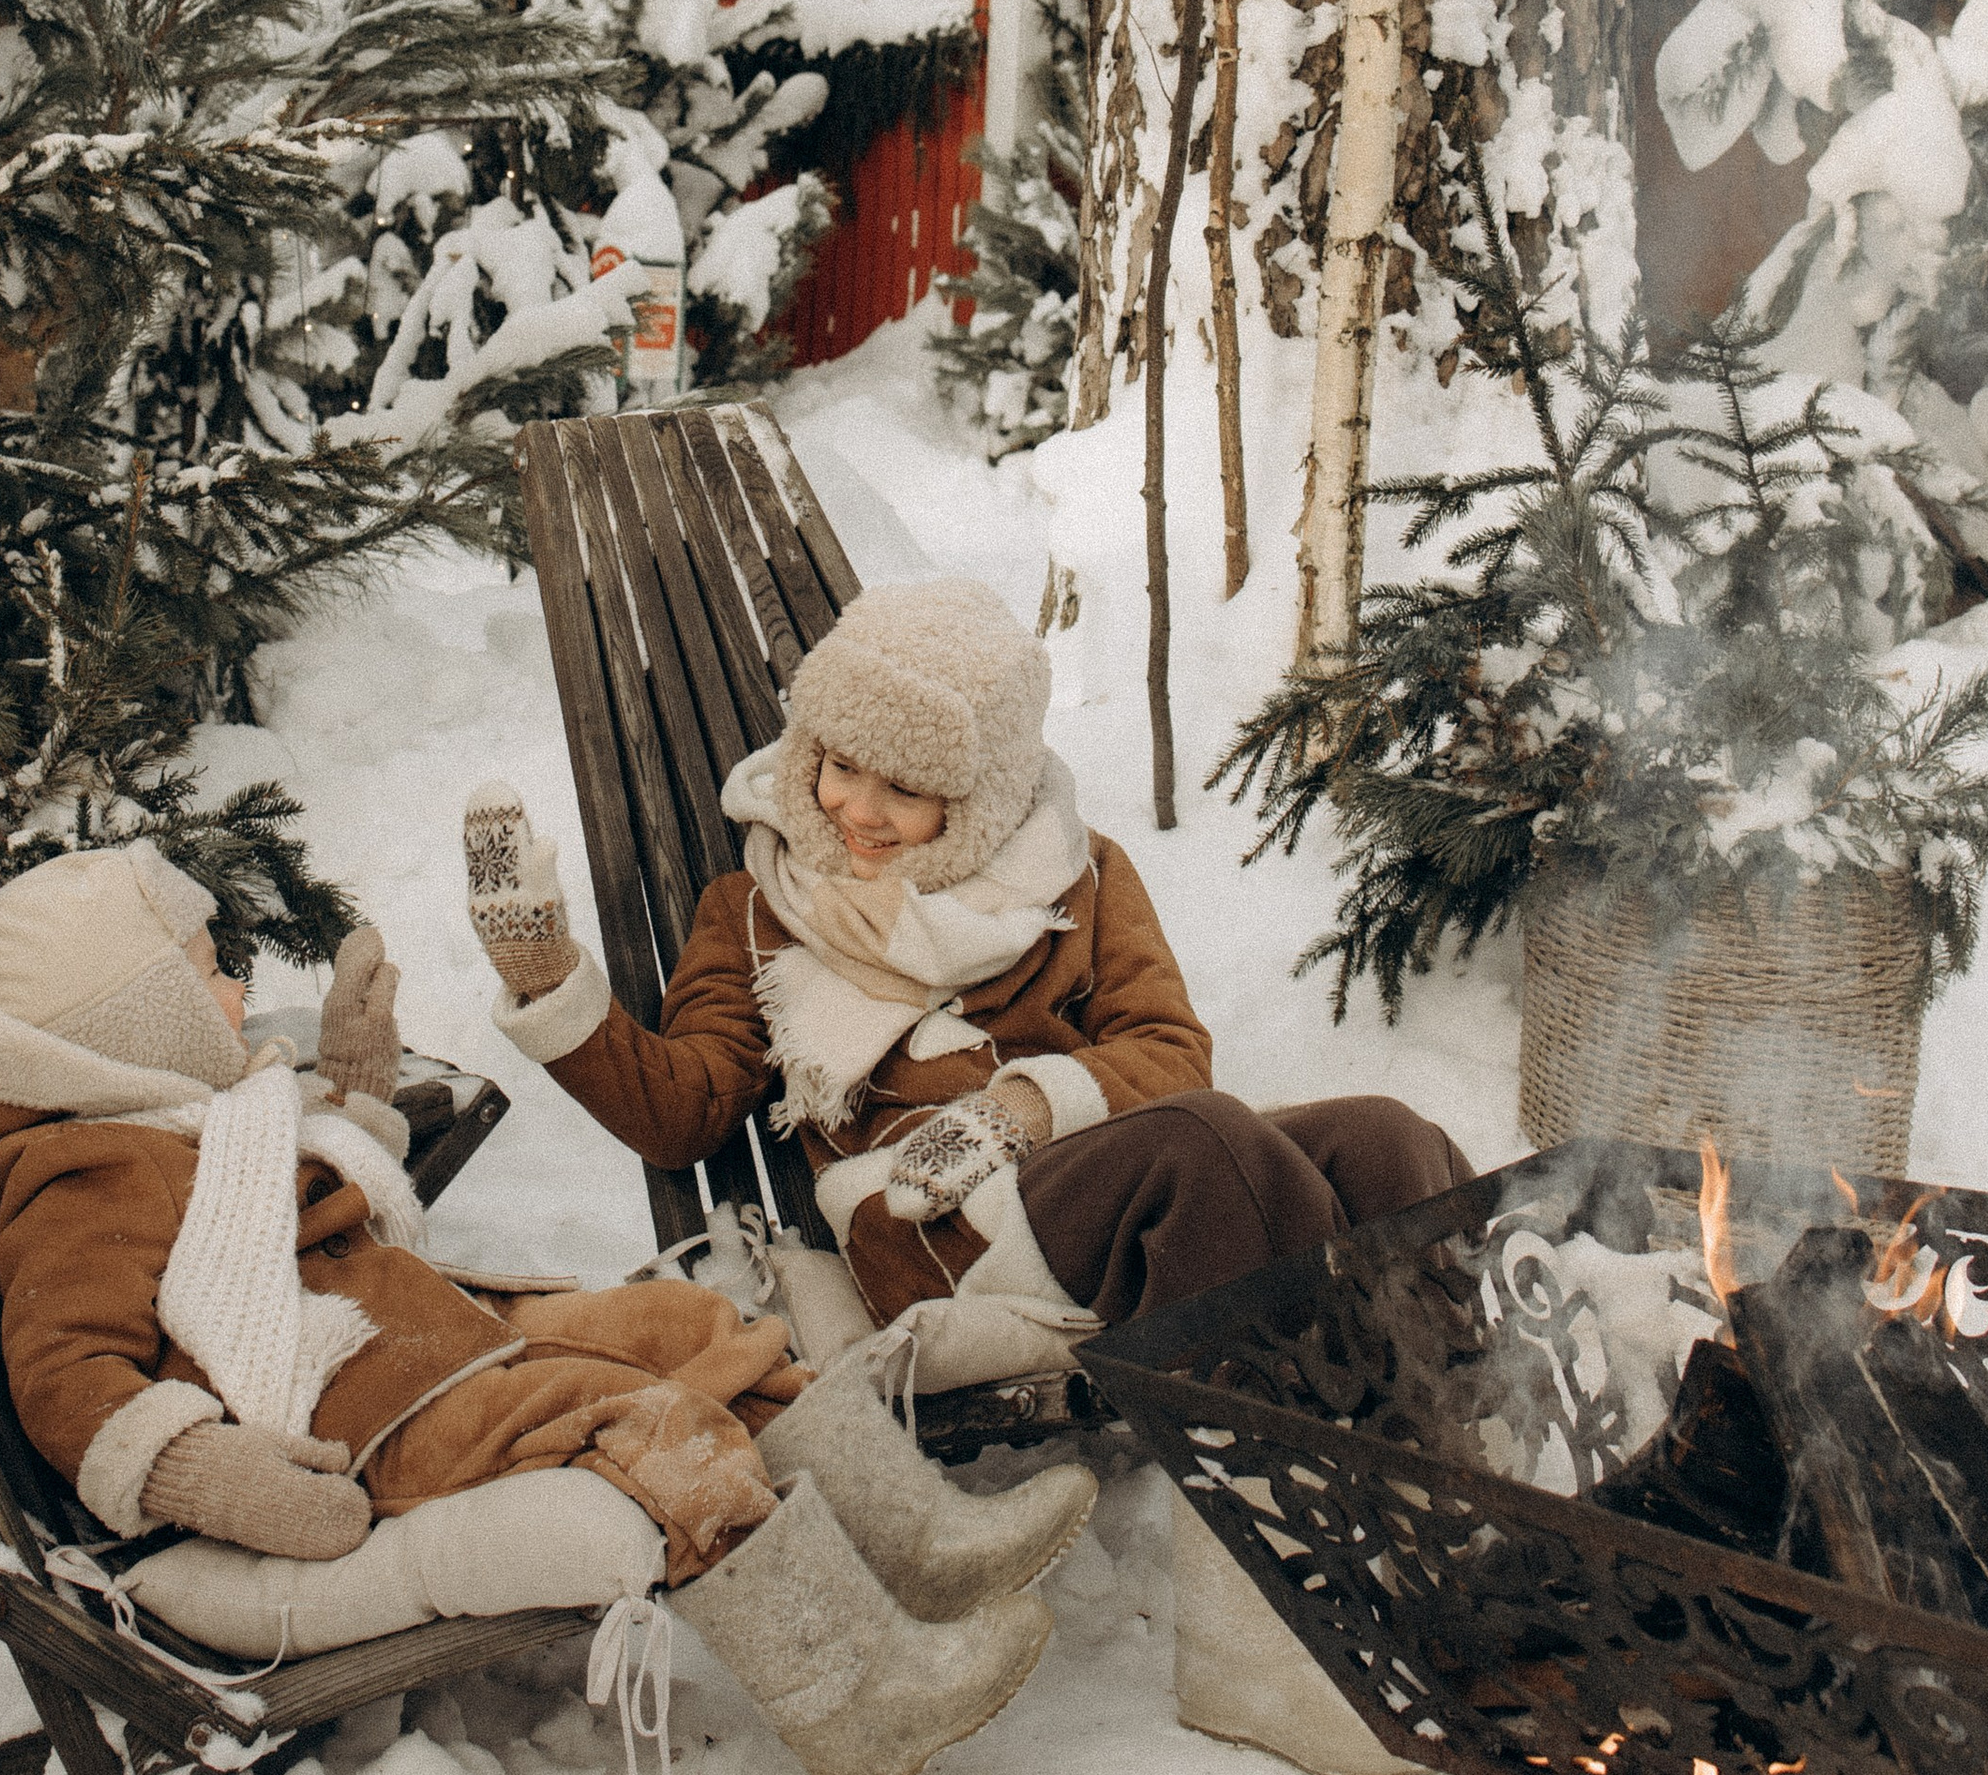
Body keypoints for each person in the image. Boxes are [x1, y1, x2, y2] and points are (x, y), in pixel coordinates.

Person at [0, 839, 1097, 1775]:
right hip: (363, 1415)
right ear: (128, 1021)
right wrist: (215, 1475)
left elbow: (322, 1189)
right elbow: (67, 1376)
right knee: (643, 1420)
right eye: (205, 976)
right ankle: (863, 1699)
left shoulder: (189, 1119)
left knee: (682, 1321)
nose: (236, 995)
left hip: (429, 1340)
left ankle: (919, 1546)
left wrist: (357, 1076)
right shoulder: (79, 1171)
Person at [462, 575, 1469, 1352]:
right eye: (839, 767)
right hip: (921, 1218)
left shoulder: (1080, 875)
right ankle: (1312, 1497)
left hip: (1084, 1174)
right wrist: (551, 982)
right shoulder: (756, 910)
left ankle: (1485, 1441)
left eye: (905, 787)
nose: (857, 811)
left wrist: (1026, 1109)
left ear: (981, 793)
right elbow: (683, 1110)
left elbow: (1167, 1054)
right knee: (1204, 1145)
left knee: (1385, 1141)